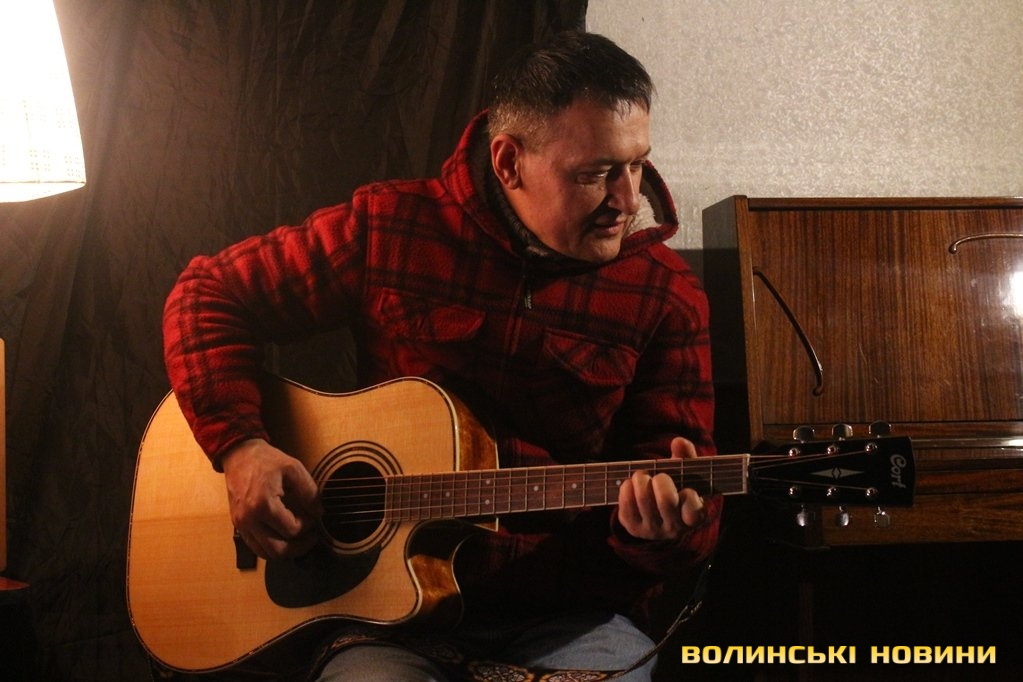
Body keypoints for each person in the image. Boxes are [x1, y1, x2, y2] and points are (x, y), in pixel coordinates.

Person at [163, 30, 722, 682]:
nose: (627, 201)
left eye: (636, 165)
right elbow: (207, 294)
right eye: (595, 174)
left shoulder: (666, 294)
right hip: (383, 620)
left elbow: (688, 500)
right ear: (509, 162)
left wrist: (663, 528)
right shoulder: (390, 226)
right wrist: (242, 449)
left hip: (571, 620)